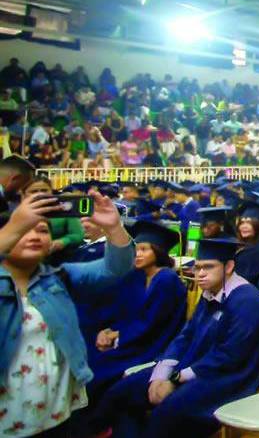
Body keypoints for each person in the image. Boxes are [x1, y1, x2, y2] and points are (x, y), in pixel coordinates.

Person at [94, 238, 259, 438]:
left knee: (167, 414)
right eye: (197, 268)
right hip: (193, 366)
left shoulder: (247, 301)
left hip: (226, 379)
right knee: (123, 392)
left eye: (208, 267)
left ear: (229, 266)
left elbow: (229, 356)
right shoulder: (210, 291)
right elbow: (186, 336)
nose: (200, 274)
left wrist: (175, 379)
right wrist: (161, 373)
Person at [0, 190, 132, 437]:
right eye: (24, 229)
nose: (34, 236)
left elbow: (116, 268)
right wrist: (13, 226)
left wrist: (114, 228)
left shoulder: (57, 277)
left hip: (57, 415)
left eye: (42, 230)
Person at [87, 220, 187, 401]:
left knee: (97, 373)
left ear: (158, 252)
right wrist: (109, 331)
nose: (137, 254)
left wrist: (116, 336)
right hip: (135, 339)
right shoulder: (141, 277)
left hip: (152, 346)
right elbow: (129, 314)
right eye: (136, 249)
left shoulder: (166, 280)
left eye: (144, 249)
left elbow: (150, 324)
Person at [21, 175, 85, 264]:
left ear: (51, 191)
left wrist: (63, 241)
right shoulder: (17, 214)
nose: (40, 194)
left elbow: (78, 235)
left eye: (44, 190)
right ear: (24, 195)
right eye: (34, 191)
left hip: (60, 259)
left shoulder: (63, 209)